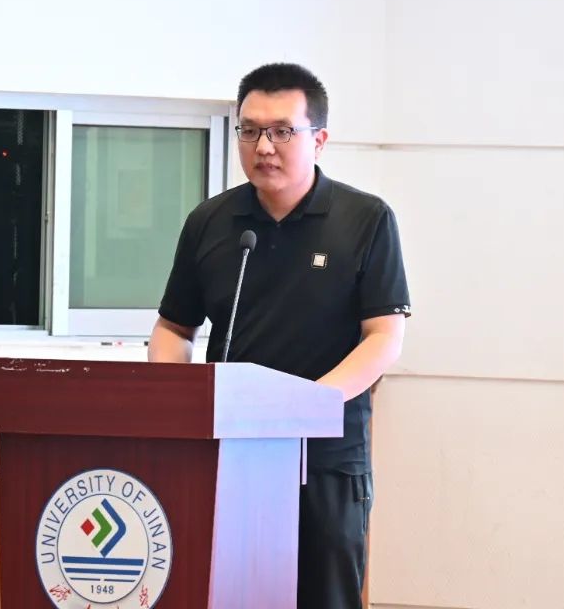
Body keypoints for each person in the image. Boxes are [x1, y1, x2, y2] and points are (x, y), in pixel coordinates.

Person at [148, 62, 411, 608]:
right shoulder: (210, 222)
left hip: (325, 458)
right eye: (249, 130)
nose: (263, 146)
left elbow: (384, 336)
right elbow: (174, 328)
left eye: (282, 131)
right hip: (229, 451)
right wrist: (171, 407)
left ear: (319, 139)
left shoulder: (365, 219)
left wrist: (307, 406)